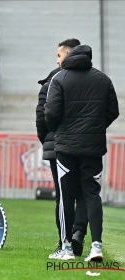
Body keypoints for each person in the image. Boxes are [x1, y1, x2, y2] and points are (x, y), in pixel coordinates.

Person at [45, 40, 119, 262]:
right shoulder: (103, 79)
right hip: (93, 148)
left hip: (66, 148)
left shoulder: (60, 78)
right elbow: (113, 111)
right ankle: (96, 246)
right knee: (92, 195)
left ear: (68, 57)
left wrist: (58, 131)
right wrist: (95, 128)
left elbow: (51, 113)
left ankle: (66, 247)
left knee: (66, 197)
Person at [36, 40, 89, 259]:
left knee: (63, 195)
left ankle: (64, 241)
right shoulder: (94, 78)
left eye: (59, 55)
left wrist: (46, 139)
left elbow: (43, 114)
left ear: (68, 54)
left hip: (58, 144)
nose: (57, 60)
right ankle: (78, 233)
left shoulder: (53, 79)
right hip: (84, 143)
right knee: (85, 192)